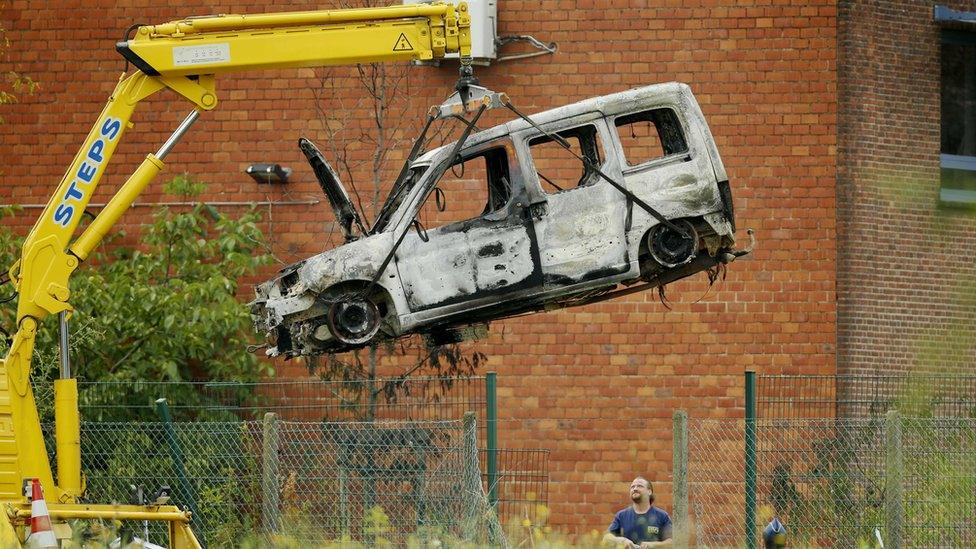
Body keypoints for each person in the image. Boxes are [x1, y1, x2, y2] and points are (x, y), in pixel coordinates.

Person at [604, 476, 672, 548]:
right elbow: (606, 538)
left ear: (649, 491)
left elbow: (672, 542)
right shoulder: (621, 515)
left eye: (640, 486)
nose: (635, 489)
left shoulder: (662, 515)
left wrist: (653, 545)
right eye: (632, 487)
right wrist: (622, 541)